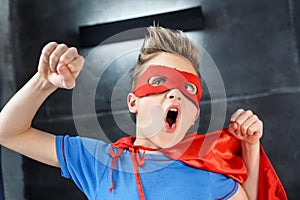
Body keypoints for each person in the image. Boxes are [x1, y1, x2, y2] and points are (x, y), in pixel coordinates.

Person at [0, 26, 286, 200]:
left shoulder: (210, 176)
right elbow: (8, 132)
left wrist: (250, 147)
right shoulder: (99, 163)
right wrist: (43, 83)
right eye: (159, 82)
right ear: (133, 102)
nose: (175, 93)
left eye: (189, 88)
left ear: (194, 114)